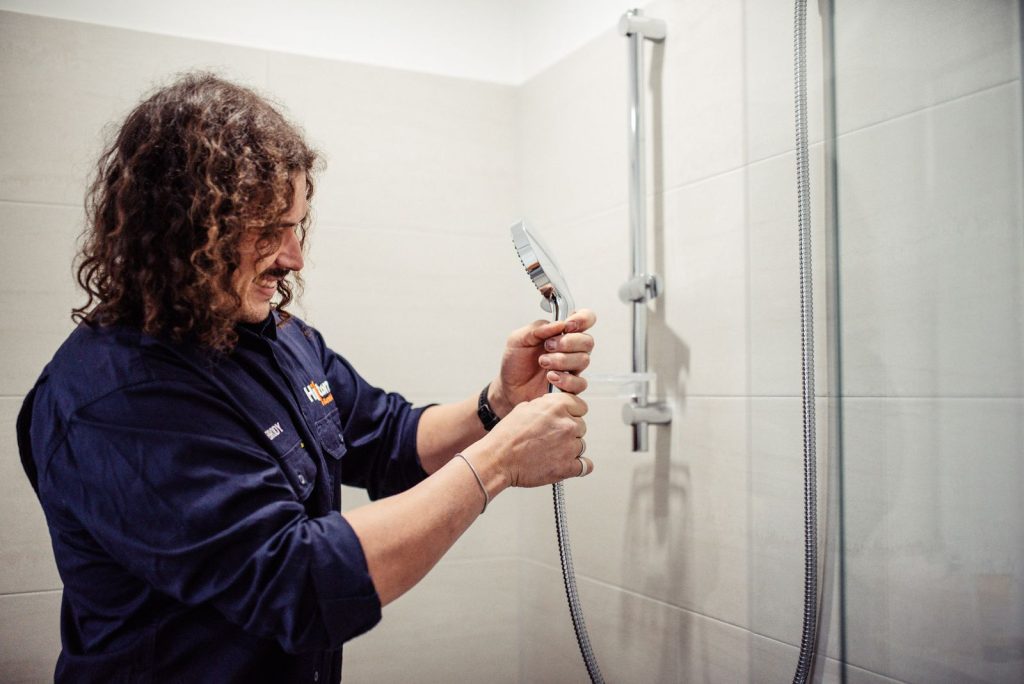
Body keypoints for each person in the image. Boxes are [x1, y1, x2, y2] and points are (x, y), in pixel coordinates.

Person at [16, 72, 596, 683]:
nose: (293, 255)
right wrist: (499, 462)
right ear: (186, 227)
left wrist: (497, 405)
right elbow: (298, 580)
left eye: (295, 226)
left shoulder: (273, 336)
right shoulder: (119, 398)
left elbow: (387, 437)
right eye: (268, 230)